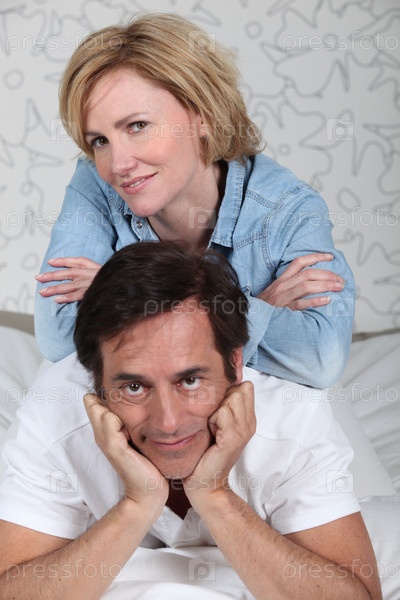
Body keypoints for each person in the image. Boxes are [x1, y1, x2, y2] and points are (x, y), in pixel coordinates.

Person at [0, 242, 380, 600]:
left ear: (235, 363)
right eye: (134, 387)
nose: (168, 422)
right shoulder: (54, 412)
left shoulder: (294, 414)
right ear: (96, 381)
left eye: (191, 380)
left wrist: (215, 495)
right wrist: (137, 503)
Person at [35, 12, 355, 389]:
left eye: (137, 126)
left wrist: (119, 291)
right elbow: (57, 334)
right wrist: (242, 309)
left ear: (202, 115)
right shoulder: (94, 183)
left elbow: (321, 357)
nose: (118, 165)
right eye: (99, 141)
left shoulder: (286, 208)